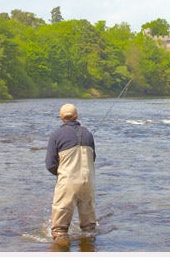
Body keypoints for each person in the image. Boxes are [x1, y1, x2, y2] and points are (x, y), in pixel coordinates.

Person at [44, 103, 97, 247]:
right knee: (89, 229)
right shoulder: (88, 133)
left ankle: (61, 248)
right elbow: (93, 158)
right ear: (77, 116)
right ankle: (89, 246)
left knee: (60, 230)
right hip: (88, 181)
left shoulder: (56, 135)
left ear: (61, 118)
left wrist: (61, 175)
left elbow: (50, 164)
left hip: (67, 182)